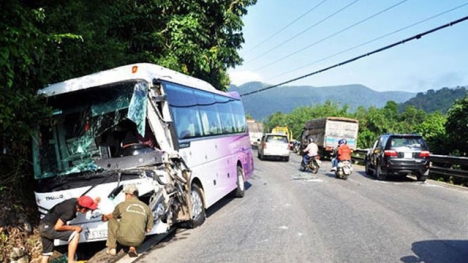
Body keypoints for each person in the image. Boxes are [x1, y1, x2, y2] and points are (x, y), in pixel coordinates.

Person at [39, 196, 100, 263]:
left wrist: (92, 202)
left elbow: (81, 199)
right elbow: (58, 227)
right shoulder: (70, 212)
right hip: (49, 228)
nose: (89, 211)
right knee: (75, 235)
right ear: (83, 209)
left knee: (46, 254)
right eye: (88, 209)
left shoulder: (74, 201)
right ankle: (71, 260)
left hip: (42, 226)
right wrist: (75, 228)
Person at [102, 184, 154, 257]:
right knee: (137, 226)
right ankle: (132, 247)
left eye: (125, 194)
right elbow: (148, 230)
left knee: (111, 220)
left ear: (129, 195)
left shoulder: (122, 205)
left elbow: (113, 216)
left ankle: (112, 248)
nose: (125, 197)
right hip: (139, 241)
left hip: (122, 239)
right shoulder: (147, 207)